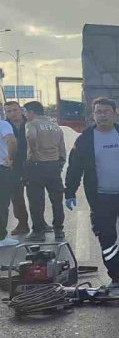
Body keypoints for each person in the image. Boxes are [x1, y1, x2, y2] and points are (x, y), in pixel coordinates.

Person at [64, 98, 119, 288]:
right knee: (106, 238)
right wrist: (69, 191)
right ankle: (116, 276)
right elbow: (74, 168)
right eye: (98, 111)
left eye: (106, 111)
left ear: (114, 114)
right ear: (93, 115)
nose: (102, 115)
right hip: (100, 198)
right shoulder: (85, 139)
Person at [23, 100, 67, 241]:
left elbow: (31, 136)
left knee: (36, 200)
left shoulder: (32, 124)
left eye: (26, 112)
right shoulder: (55, 127)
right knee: (57, 200)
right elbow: (62, 150)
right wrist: (59, 164)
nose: (25, 115)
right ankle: (59, 229)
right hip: (53, 165)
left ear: (31, 112)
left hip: (37, 165)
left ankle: (38, 232)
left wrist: (34, 153)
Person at [3, 101, 30, 236]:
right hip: (13, 166)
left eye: (15, 110)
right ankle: (22, 223)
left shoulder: (30, 123)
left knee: (36, 195)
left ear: (21, 110)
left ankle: (40, 223)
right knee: (16, 196)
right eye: (9, 111)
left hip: (31, 164)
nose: (12, 113)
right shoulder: (5, 126)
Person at [0, 113, 18, 247]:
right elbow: (11, 140)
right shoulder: (3, 124)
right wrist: (11, 159)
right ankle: (1, 237)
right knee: (2, 204)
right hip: (2, 168)